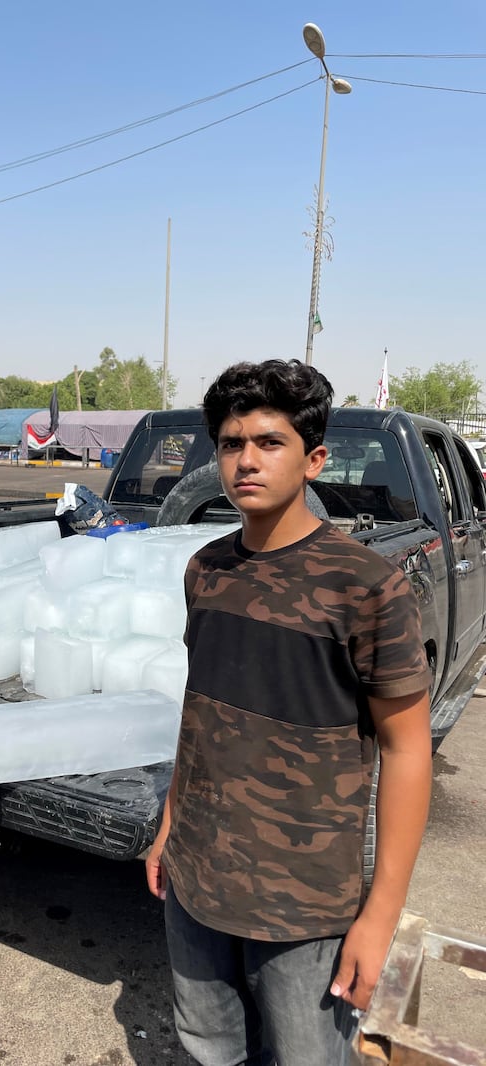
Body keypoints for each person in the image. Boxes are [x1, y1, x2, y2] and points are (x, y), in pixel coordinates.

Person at [145, 359, 432, 1066]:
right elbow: (202, 713)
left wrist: (379, 914)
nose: (246, 460)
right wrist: (170, 827)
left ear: (314, 458)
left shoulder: (367, 586)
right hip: (198, 876)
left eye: (269, 442)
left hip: (305, 901)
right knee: (209, 1046)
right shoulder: (206, 570)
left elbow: (407, 750)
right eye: (231, 443)